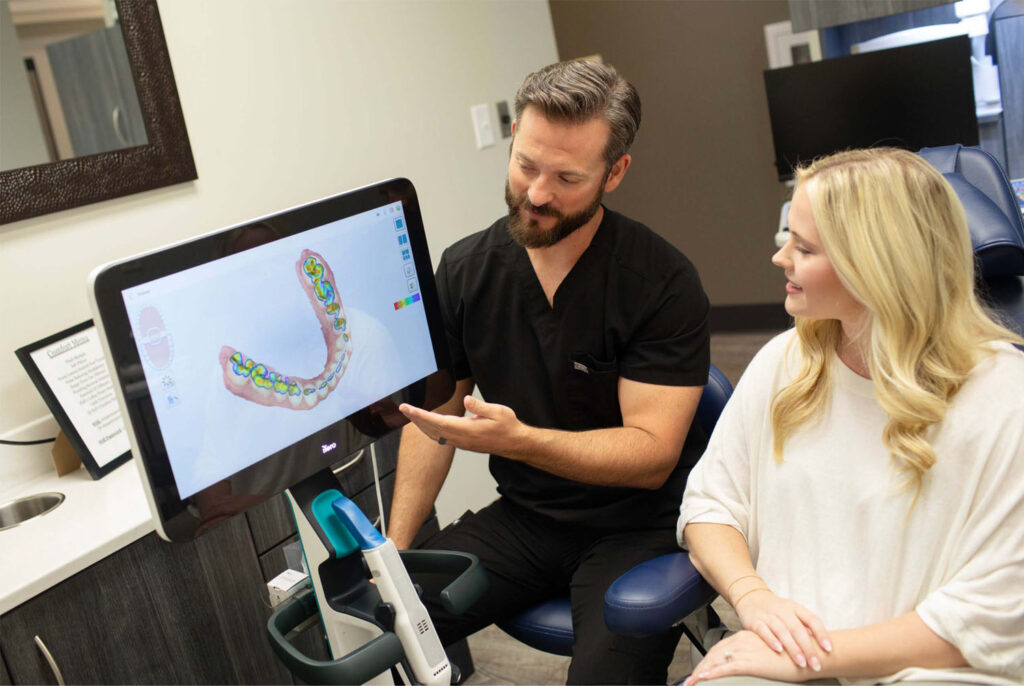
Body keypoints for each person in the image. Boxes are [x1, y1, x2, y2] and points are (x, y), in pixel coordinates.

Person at [388, 59, 711, 683]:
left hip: (637, 527)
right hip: (527, 519)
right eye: (525, 165)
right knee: (375, 621)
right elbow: (434, 419)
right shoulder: (465, 270)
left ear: (614, 173)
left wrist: (522, 443)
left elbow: (651, 455)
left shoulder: (660, 283)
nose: (536, 193)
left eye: (566, 177)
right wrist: (396, 556)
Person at [679, 148, 1024, 685]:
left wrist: (814, 656)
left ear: (878, 266)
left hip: (935, 670)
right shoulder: (784, 364)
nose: (780, 258)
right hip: (788, 653)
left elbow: (994, 617)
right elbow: (710, 506)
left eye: (805, 247)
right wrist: (754, 600)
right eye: (786, 238)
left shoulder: (1004, 398)